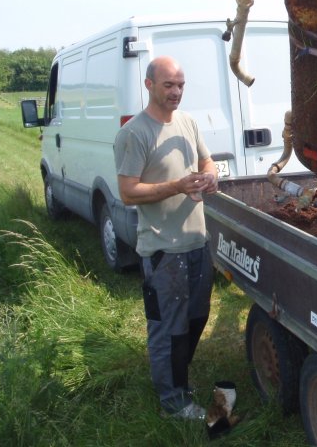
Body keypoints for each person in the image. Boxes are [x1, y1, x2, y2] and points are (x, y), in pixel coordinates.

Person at [113, 55, 219, 420]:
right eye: (168, 85)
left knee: (197, 317)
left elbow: (207, 161)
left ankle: (178, 380)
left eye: (181, 85)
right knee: (168, 328)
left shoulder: (187, 122)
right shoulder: (134, 133)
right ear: (149, 85)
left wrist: (211, 176)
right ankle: (173, 403)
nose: (176, 92)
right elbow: (128, 192)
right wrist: (176, 186)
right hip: (163, 249)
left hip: (197, 242)